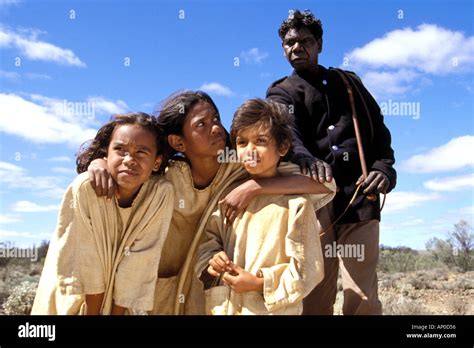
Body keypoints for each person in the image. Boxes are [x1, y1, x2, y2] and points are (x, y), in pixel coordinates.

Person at [87, 91, 335, 315]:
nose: (216, 128)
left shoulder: (239, 170)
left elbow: (324, 185)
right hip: (162, 287)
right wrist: (98, 163)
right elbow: (125, 175)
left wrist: (254, 186)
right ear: (178, 143)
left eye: (216, 119)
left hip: (213, 293)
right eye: (202, 125)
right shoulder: (166, 178)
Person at [266, 10, 397, 315]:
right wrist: (303, 156)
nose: (296, 47)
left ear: (320, 44)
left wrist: (383, 169)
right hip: (313, 203)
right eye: (289, 43)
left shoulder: (349, 82)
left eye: (305, 41)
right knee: (313, 296)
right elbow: (287, 133)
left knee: (362, 298)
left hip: (359, 199)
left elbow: (379, 132)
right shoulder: (280, 92)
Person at [196, 99, 335, 315]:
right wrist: (212, 260)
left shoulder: (296, 204)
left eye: (260, 141)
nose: (250, 151)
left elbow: (309, 270)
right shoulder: (230, 195)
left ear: (283, 147)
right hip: (224, 308)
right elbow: (209, 240)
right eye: (242, 143)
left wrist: (259, 283)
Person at [32, 113, 174, 315]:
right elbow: (87, 261)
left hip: (119, 304)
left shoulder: (160, 194)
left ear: (157, 162)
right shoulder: (85, 188)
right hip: (76, 298)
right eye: (120, 150)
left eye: (142, 152)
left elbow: (141, 260)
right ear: (106, 155)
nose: (129, 160)